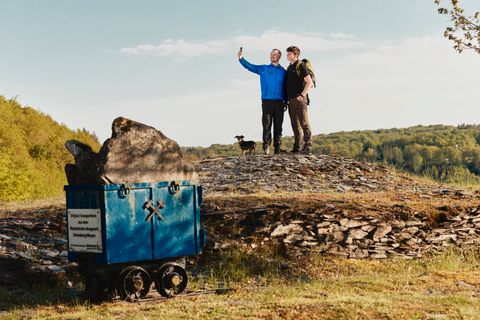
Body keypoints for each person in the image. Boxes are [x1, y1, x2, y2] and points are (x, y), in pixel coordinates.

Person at [237, 47, 287, 155]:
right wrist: (241, 59)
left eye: (274, 54)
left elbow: (286, 88)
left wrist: (286, 101)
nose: (271, 55)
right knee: (267, 124)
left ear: (279, 56)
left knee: (278, 126)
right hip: (267, 101)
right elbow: (250, 67)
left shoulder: (283, 71)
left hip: (279, 102)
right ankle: (266, 147)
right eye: (271, 53)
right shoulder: (264, 68)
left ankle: (277, 148)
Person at [285, 46, 314, 154]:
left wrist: (302, 95)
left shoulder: (300, 65)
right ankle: (297, 147)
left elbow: (309, 82)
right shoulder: (290, 67)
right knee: (294, 124)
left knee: (304, 123)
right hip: (291, 100)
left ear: (295, 55)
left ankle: (308, 146)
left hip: (300, 100)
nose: (287, 55)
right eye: (287, 53)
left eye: (289, 54)